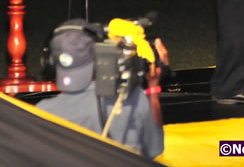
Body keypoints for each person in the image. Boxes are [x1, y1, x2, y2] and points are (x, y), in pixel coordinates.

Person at [37, 19, 167, 159]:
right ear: (101, 57)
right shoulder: (131, 102)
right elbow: (155, 149)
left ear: (49, 62)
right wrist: (153, 88)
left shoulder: (41, 112)